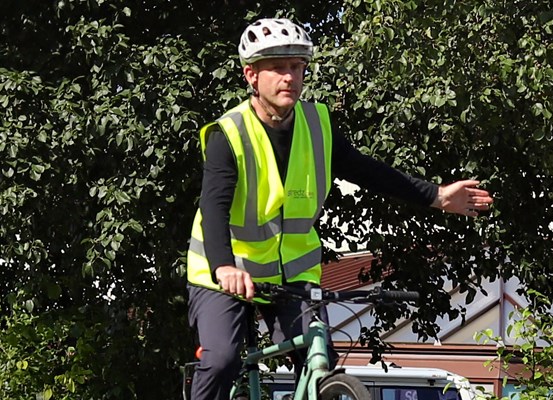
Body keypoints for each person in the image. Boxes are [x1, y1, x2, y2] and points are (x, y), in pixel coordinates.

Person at [186, 18, 493, 400]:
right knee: (222, 360)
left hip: (292, 275)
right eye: (278, 68)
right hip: (225, 273)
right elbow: (213, 206)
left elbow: (368, 171)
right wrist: (224, 266)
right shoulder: (228, 133)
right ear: (251, 75)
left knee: (318, 362)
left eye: (297, 67)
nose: (289, 77)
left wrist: (437, 196)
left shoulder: (318, 124)